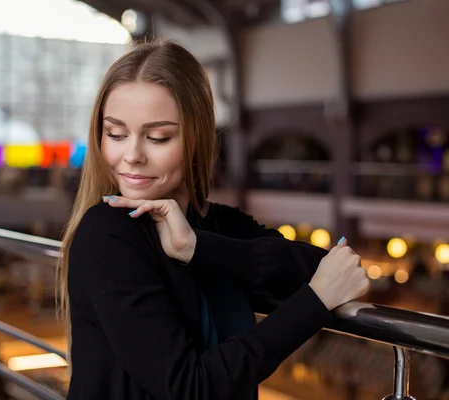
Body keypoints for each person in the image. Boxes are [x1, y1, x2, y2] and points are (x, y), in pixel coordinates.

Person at [58, 40, 370, 400]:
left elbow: (325, 267)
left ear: (196, 137)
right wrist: (314, 304)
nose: (131, 155)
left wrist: (197, 248)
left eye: (158, 137)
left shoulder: (213, 224)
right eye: (115, 133)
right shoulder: (107, 234)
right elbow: (190, 387)